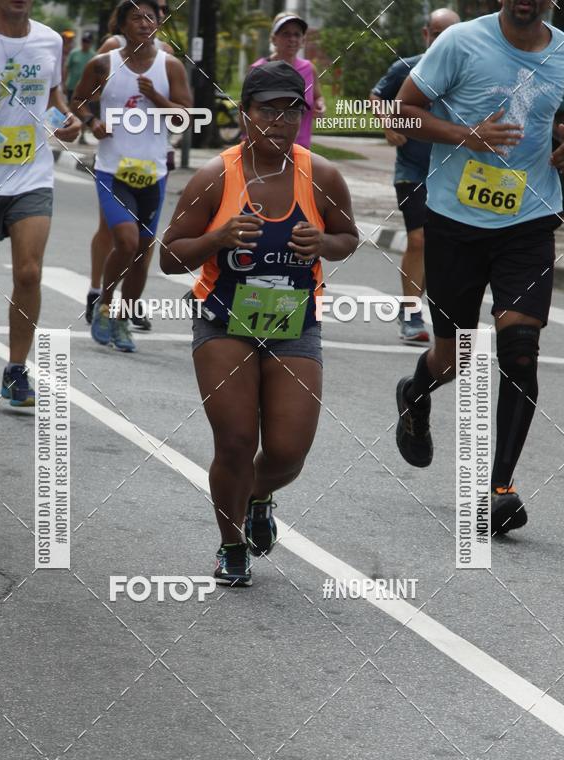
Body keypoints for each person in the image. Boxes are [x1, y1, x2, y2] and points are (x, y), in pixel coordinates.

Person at [160, 61, 358, 586]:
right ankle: (231, 545)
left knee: (289, 452)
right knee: (235, 440)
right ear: (245, 114)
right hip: (223, 320)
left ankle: (256, 496)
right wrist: (216, 238)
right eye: (269, 108)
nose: (281, 120)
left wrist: (326, 244)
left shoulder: (322, 176)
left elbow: (347, 237)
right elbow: (169, 257)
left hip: (295, 325)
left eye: (293, 110)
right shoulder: (214, 177)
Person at [393, 0, 564, 534]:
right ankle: (415, 394)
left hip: (529, 220)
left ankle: (499, 489)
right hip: (454, 223)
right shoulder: (460, 42)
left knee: (519, 349)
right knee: (455, 356)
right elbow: (402, 111)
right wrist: (467, 135)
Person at [0, 0, 80, 406]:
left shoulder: (49, 41)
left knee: (29, 273)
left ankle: (16, 370)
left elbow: (51, 96)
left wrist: (66, 118)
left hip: (31, 175)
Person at [72, 0, 191, 352]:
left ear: (158, 25)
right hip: (113, 170)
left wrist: (157, 97)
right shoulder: (103, 63)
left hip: (153, 171)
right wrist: (93, 123)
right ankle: (106, 304)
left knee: (142, 250)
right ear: (121, 25)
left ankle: (124, 317)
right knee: (124, 240)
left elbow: (185, 115)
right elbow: (78, 100)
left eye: (150, 18)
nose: (144, 23)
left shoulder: (170, 67)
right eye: (136, 18)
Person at [370, 8, 460, 344]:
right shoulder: (406, 67)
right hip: (411, 170)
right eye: (436, 33)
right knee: (419, 238)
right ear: (426, 34)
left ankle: (413, 303)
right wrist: (387, 124)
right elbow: (376, 97)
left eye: (448, 33)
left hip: (451, 171)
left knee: (437, 246)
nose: (441, 40)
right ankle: (411, 315)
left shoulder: (466, 71)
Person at [250, 11, 325, 149]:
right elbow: (246, 111)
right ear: (273, 39)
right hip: (263, 151)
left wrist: (320, 106)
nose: (292, 39)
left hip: (300, 150)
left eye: (297, 34)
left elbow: (318, 97)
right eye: (286, 34)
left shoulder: (309, 69)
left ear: (303, 40)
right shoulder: (259, 69)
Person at [64, 30, 93, 143]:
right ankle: (67, 131)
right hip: (72, 86)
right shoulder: (74, 53)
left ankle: (82, 136)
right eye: (84, 41)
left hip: (86, 89)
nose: (85, 43)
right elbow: (67, 68)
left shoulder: (93, 55)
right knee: (70, 110)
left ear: (90, 43)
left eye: (87, 41)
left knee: (85, 111)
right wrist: (64, 83)